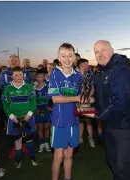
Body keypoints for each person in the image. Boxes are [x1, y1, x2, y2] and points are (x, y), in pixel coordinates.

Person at [93, 40, 130, 180]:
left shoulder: (121, 70)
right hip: (110, 123)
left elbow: (120, 102)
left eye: (103, 50)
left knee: (122, 164)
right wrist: (89, 103)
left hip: (123, 125)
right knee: (112, 160)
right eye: (96, 52)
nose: (100, 54)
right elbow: (101, 98)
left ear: (111, 50)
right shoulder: (101, 71)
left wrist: (99, 115)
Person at [48, 43, 83, 180]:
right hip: (59, 121)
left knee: (69, 154)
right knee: (59, 156)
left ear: (74, 57)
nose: (67, 59)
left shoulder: (79, 76)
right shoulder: (55, 74)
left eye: (70, 56)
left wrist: (87, 99)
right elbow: (55, 99)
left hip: (73, 121)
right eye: (63, 56)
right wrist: (77, 98)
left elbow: (82, 99)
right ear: (59, 57)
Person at [1, 66, 37, 168]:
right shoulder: (7, 88)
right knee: (17, 140)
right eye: (16, 75)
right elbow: (5, 105)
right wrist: (13, 118)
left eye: (21, 74)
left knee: (29, 139)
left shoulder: (29, 86)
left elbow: (33, 103)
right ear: (11, 76)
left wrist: (27, 118)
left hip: (28, 118)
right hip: (14, 118)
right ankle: (18, 160)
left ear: (24, 75)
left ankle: (32, 158)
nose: (19, 76)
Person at [0, 55, 30, 158]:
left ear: (19, 61)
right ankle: (13, 148)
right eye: (12, 60)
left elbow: (28, 85)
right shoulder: (4, 73)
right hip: (11, 105)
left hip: (23, 103)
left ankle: (23, 145)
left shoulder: (24, 72)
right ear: (9, 61)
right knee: (12, 127)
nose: (14, 62)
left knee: (23, 126)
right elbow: (2, 86)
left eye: (16, 60)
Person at [76, 58, 95, 147]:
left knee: (88, 120)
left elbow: (92, 87)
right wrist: (77, 99)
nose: (88, 66)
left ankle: (90, 138)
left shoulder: (89, 75)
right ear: (81, 65)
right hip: (78, 101)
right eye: (86, 64)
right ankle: (80, 138)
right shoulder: (75, 76)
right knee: (80, 120)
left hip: (87, 101)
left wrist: (89, 96)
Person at [34, 69, 51, 152]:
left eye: (41, 76)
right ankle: (41, 143)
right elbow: (32, 101)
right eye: (38, 77)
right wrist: (35, 109)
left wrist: (51, 107)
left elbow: (53, 99)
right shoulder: (33, 88)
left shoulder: (48, 87)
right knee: (40, 128)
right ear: (36, 78)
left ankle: (46, 143)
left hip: (47, 110)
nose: (39, 78)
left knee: (47, 128)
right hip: (38, 111)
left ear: (44, 77)